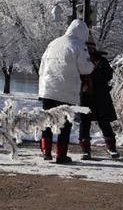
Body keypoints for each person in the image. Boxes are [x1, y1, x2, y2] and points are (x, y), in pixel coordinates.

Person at [38, 19, 94, 164]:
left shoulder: (54, 43)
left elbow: (41, 67)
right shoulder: (78, 45)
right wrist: (92, 63)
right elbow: (85, 68)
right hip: (66, 91)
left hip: (47, 89)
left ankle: (46, 152)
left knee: (48, 120)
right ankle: (61, 155)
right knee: (65, 123)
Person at [79, 43, 120, 159]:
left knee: (104, 122)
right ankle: (85, 150)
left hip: (101, 97)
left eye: (91, 47)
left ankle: (111, 148)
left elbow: (108, 75)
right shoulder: (79, 60)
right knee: (84, 123)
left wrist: (92, 77)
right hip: (84, 97)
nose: (89, 50)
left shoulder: (102, 61)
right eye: (86, 48)